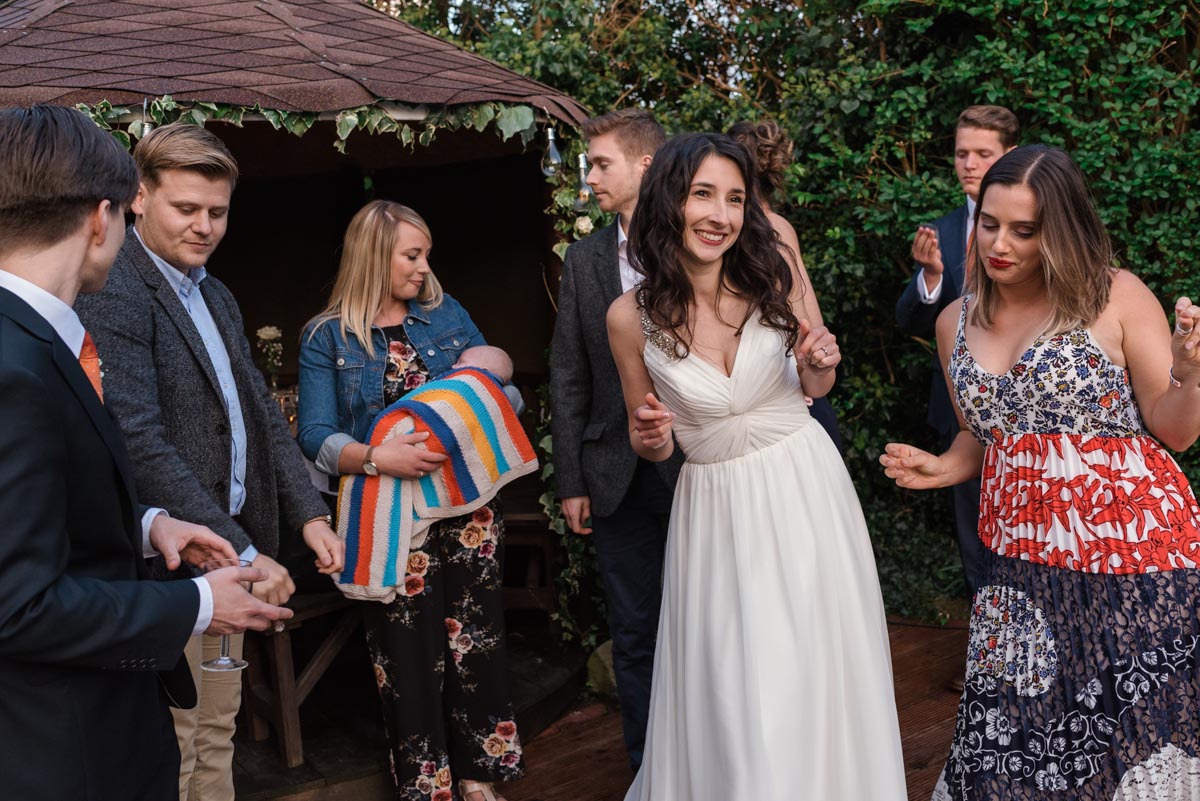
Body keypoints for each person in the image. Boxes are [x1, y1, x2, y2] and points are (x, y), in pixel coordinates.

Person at [882, 145, 1200, 800]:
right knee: (1012, 747)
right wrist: (943, 465)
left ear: (1061, 228)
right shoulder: (953, 321)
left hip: (1135, 557)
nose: (1000, 243)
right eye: (991, 223)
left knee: (1127, 747)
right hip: (1019, 568)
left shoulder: (1112, 293)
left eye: (1025, 229)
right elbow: (986, 430)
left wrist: (1192, 375)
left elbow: (1173, 427)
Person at [0, 104, 293, 801]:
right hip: (60, 752)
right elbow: (17, 606)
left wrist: (147, 525)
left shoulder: (30, 342)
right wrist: (194, 603)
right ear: (103, 218)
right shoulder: (17, 366)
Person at [608, 132, 906, 800]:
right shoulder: (628, 318)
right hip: (713, 508)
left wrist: (819, 365)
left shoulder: (774, 267)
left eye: (736, 198)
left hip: (804, 486)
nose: (722, 214)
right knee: (738, 676)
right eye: (703, 194)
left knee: (811, 659)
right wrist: (650, 433)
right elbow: (650, 441)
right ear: (669, 201)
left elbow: (816, 379)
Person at [74, 122, 343, 801]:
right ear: (139, 196)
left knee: (215, 727)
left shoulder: (215, 293)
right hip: (169, 565)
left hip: (228, 557)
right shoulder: (116, 289)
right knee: (174, 742)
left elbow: (258, 411)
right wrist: (245, 552)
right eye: (186, 209)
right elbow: (137, 438)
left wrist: (310, 516)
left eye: (217, 212)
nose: (204, 227)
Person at [298, 200, 524, 801]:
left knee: (475, 638)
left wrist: (476, 407)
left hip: (469, 508)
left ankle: (479, 775)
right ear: (375, 255)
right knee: (405, 655)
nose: (424, 268)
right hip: (390, 518)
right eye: (412, 255)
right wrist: (378, 457)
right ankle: (430, 787)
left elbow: (503, 392)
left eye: (426, 255)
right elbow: (314, 434)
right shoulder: (328, 337)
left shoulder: (444, 314)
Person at [549, 108, 684, 771]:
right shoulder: (584, 259)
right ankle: (648, 770)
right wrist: (570, 478)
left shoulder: (701, 241)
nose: (590, 178)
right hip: (613, 476)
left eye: (600, 163)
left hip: (700, 468)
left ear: (646, 166)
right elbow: (569, 372)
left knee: (708, 625)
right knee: (633, 633)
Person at [895, 105, 1019, 594]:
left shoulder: (1041, 227)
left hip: (1032, 412)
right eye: (961, 153)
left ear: (1010, 156)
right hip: (961, 413)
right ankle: (983, 664)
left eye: (982, 153)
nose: (969, 163)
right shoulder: (940, 231)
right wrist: (930, 277)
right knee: (974, 541)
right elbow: (911, 320)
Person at [728, 118, 844, 451]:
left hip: (786, 402)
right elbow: (814, 323)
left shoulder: (764, 229)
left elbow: (805, 327)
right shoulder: (780, 225)